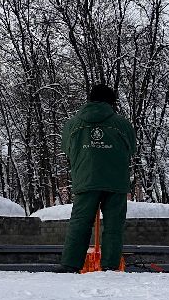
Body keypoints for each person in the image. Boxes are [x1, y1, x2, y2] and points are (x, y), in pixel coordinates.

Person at [58, 83, 137, 272]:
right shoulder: (122, 124)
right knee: (113, 225)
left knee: (80, 223)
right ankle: (110, 267)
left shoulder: (73, 124)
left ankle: (70, 265)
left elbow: (66, 150)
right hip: (116, 181)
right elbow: (131, 150)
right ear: (111, 102)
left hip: (85, 179)